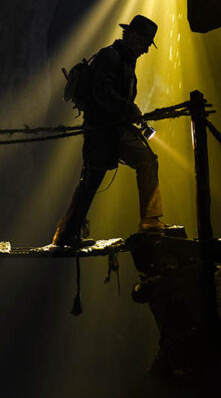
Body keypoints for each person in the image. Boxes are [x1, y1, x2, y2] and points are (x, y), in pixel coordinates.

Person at [52, 14, 165, 247]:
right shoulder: (110, 56)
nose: (146, 49)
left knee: (147, 160)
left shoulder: (124, 60)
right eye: (144, 43)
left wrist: (127, 112)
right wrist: (128, 108)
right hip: (101, 131)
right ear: (132, 37)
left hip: (116, 129)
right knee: (91, 182)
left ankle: (150, 221)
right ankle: (66, 235)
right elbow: (101, 92)